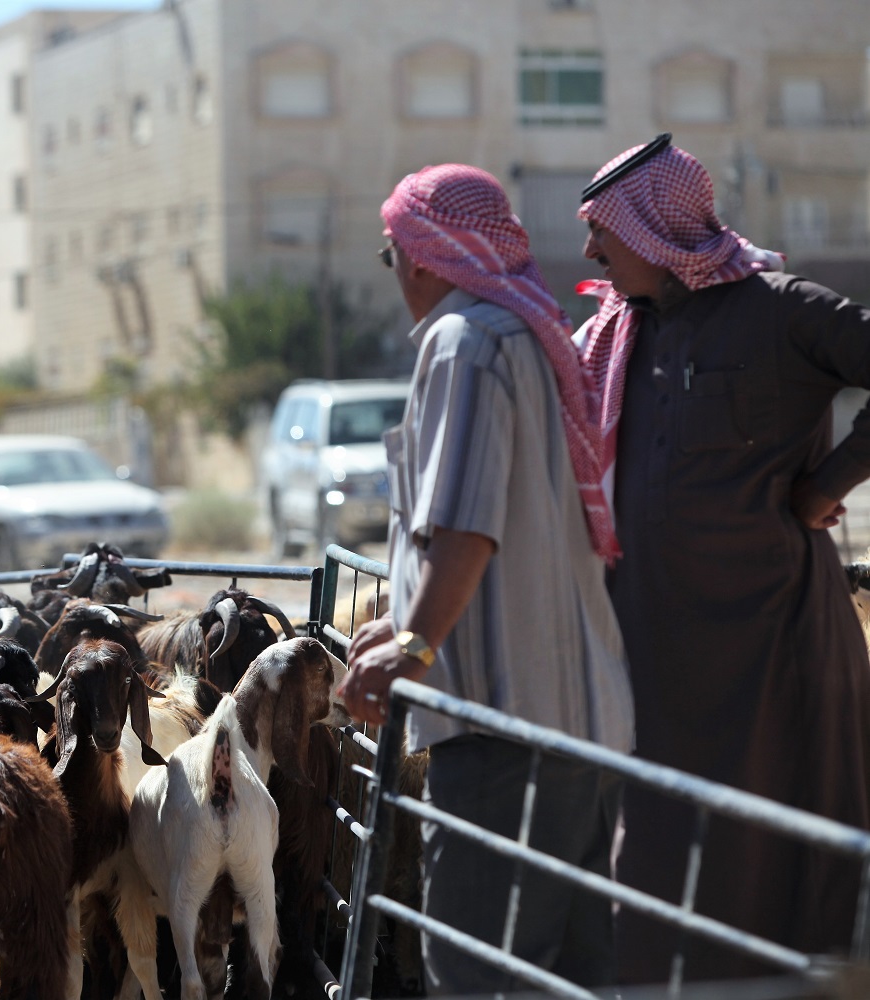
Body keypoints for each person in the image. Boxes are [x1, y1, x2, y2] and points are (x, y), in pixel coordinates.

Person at [575, 135, 870, 982]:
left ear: (658, 227)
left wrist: (827, 483)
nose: (592, 251)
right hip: (654, 652)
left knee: (776, 851)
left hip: (772, 650)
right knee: (655, 859)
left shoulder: (781, 309)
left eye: (605, 231)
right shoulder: (616, 333)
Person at [339, 164, 633, 993]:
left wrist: (413, 647)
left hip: (503, 733)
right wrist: (402, 619)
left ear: (421, 257)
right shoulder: (528, 334)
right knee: (575, 974)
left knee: (479, 975)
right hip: (582, 723)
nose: (395, 274)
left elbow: (467, 524)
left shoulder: (463, 341)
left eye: (390, 255)